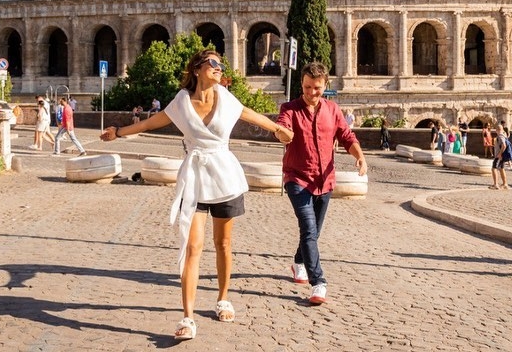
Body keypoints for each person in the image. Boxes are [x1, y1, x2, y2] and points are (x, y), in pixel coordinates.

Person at [100, 50, 293, 341]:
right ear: (198, 68)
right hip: (195, 179)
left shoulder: (225, 97)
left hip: (225, 176)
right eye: (213, 63)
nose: (218, 68)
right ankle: (188, 318)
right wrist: (119, 132)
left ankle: (223, 298)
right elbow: (152, 122)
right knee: (193, 248)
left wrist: (277, 128)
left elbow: (247, 113)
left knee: (224, 244)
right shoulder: (181, 101)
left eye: (220, 64)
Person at [276, 61, 367, 307]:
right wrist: (282, 133)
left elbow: (347, 136)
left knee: (313, 231)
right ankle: (319, 282)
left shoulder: (333, 110)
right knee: (308, 229)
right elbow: (281, 127)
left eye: (316, 88)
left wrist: (360, 156)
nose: (310, 92)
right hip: (297, 178)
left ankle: (298, 263)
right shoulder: (290, 108)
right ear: (301, 85)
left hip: (325, 180)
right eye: (306, 87)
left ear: (325, 85)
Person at [490, 124, 511, 190]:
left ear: (497, 130)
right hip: (501, 156)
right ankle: (505, 184)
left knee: (494, 168)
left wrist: (499, 154)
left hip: (499, 156)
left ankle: (495, 184)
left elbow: (504, 145)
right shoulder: (504, 135)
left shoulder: (500, 136)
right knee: (501, 169)